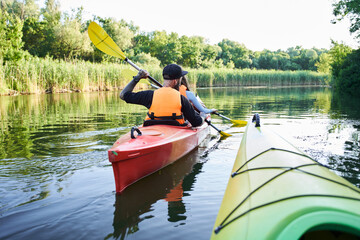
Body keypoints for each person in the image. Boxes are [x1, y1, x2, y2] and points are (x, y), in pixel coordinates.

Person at [120, 64, 205, 127]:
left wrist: (137, 78)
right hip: (174, 132)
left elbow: (123, 95)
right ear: (176, 81)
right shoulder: (181, 98)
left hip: (151, 131)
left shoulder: (150, 95)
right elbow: (197, 123)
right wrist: (203, 115)